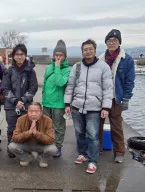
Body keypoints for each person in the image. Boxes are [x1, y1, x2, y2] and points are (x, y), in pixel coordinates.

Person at [64, 39, 113, 174]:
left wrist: (106, 107)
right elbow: (70, 86)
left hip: (94, 107)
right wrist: (67, 103)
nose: (88, 51)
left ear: (95, 50)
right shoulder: (77, 67)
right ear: (82, 51)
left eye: (90, 49)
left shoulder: (103, 67)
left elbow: (108, 89)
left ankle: (92, 161)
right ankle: (82, 154)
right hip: (77, 106)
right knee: (79, 132)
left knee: (92, 135)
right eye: (85, 49)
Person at [98, 29, 135, 163]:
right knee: (97, 124)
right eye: (109, 40)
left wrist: (126, 98)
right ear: (106, 43)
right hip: (101, 97)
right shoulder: (100, 59)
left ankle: (119, 152)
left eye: (115, 40)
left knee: (117, 126)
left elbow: (129, 81)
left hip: (116, 98)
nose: (112, 42)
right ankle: (97, 148)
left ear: (119, 42)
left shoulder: (127, 60)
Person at [1, 43, 38, 158]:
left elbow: (33, 87)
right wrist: (15, 101)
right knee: (11, 128)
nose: (19, 57)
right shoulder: (9, 70)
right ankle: (11, 148)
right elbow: (5, 88)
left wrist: (23, 99)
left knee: (26, 128)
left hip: (26, 106)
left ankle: (25, 150)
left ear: (25, 55)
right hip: (11, 106)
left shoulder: (30, 71)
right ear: (13, 56)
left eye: (22, 54)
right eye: (17, 54)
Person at [42, 39, 71, 157]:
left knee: (58, 127)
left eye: (61, 55)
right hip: (46, 103)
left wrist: (58, 67)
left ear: (65, 56)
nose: (58, 57)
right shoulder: (49, 67)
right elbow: (44, 84)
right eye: (56, 55)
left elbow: (60, 83)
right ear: (53, 55)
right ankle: (47, 144)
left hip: (58, 104)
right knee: (45, 126)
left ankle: (57, 147)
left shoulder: (67, 69)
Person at [8, 102, 57, 167]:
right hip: (26, 144)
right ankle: (26, 157)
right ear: (27, 112)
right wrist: (29, 133)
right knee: (11, 146)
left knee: (53, 149)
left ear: (41, 112)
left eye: (36, 111)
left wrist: (37, 133)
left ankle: (42, 158)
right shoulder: (21, 119)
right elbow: (15, 137)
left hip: (41, 145)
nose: (33, 114)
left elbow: (51, 139)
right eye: (31, 111)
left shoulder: (48, 120)